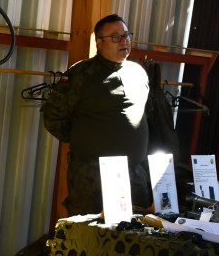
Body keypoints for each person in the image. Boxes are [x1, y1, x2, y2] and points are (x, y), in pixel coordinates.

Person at [41, 14, 152, 215]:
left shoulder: (138, 73)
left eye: (126, 35)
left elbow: (146, 115)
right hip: (92, 176)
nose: (123, 41)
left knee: (135, 231)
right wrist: (85, 141)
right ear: (99, 42)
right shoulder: (81, 74)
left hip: (133, 174)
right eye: (115, 37)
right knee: (88, 230)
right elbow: (53, 118)